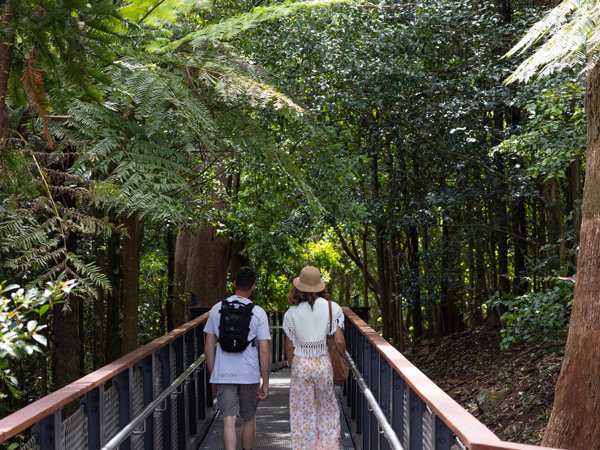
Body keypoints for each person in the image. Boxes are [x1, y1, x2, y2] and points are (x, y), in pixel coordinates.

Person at [204, 266, 271, 450]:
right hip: (249, 374)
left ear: (234, 284)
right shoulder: (258, 312)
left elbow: (209, 347)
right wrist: (265, 381)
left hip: (224, 373)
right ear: (253, 287)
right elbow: (264, 350)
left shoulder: (217, 309)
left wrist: (214, 377)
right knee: (249, 418)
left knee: (228, 420)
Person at [283, 265, 346, 450]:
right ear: (320, 286)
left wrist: (291, 366)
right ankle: (328, 446)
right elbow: (340, 340)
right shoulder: (332, 308)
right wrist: (341, 359)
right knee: (326, 407)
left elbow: (289, 345)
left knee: (302, 411)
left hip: (301, 364)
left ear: (299, 287)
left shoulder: (291, 313)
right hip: (323, 364)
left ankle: (305, 447)